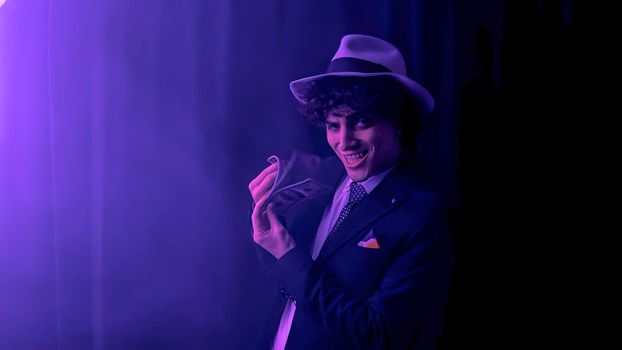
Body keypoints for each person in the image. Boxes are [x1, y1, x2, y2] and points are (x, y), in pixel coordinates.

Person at [248, 34, 453, 350]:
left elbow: (378, 334)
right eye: (333, 125)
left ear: (398, 121)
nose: (344, 141)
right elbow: (289, 280)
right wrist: (268, 241)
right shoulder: (324, 173)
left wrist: (287, 254)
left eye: (361, 122)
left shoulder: (425, 214)